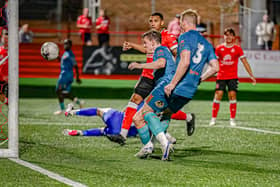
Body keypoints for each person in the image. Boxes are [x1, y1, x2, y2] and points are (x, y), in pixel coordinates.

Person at [133, 10, 219, 160]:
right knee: (166, 113)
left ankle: (162, 143)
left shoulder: (185, 37)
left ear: (185, 23)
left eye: (181, 24)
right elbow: (215, 67)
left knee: (145, 113)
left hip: (176, 84)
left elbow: (185, 61)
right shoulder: (207, 43)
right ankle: (154, 144)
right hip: (190, 90)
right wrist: (201, 79)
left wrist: (172, 83)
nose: (180, 27)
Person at [116, 12, 182, 144]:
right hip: (147, 75)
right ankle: (122, 134)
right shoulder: (150, 36)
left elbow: (177, 54)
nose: (152, 23)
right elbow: (148, 50)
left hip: (161, 77)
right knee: (135, 99)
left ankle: (166, 134)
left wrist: (175, 75)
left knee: (159, 110)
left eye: (155, 21)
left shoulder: (168, 37)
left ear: (162, 23)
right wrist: (133, 45)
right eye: (150, 21)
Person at [63, 102, 179, 144]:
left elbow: (132, 105)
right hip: (125, 132)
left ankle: (72, 112)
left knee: (98, 111)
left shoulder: (146, 99)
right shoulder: (156, 107)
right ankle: (80, 132)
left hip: (118, 119)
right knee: (103, 131)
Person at [209, 28, 256, 126]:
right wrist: (211, 72)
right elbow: (214, 62)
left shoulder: (237, 49)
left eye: (230, 35)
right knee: (219, 94)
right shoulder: (219, 48)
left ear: (233, 37)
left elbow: (245, 62)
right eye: (226, 35)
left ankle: (232, 119)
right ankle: (213, 119)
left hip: (232, 77)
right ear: (224, 36)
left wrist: (251, 75)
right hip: (221, 76)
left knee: (232, 95)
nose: (228, 37)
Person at [54, 39, 83, 115]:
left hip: (66, 75)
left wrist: (77, 77)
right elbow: (63, 62)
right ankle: (79, 102)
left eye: (67, 44)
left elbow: (75, 66)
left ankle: (62, 109)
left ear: (70, 45)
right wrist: (58, 57)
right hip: (64, 74)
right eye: (64, 44)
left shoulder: (70, 54)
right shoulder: (65, 53)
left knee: (58, 91)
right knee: (64, 92)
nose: (65, 45)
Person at [0, 29, 8, 105]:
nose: (6, 36)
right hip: (1, 77)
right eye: (5, 34)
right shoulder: (0, 50)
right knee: (2, 98)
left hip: (8, 79)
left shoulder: (14, 50)